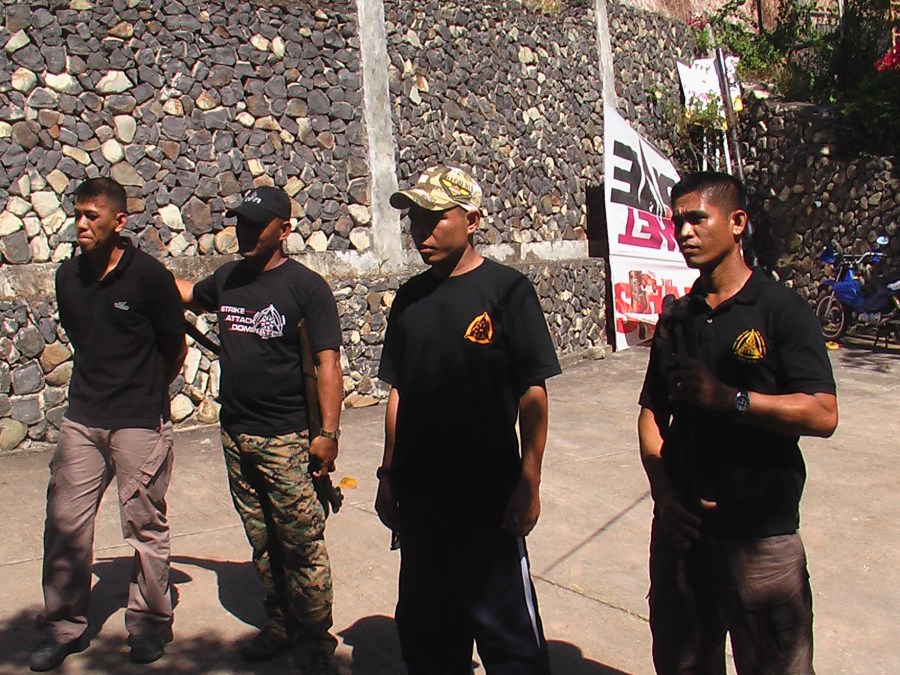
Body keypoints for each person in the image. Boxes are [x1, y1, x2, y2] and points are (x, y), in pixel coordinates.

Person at [637, 171, 839, 674]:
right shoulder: (678, 318)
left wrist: (733, 399)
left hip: (760, 537)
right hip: (682, 535)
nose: (684, 232)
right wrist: (664, 494)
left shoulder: (780, 310)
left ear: (737, 223)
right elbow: (651, 413)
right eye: (677, 222)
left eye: (697, 219)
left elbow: (823, 412)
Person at [375, 165, 561, 674]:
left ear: (472, 220)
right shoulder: (410, 299)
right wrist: (388, 475)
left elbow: (532, 393)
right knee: (428, 640)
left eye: (435, 217)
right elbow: (399, 393)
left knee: (511, 645)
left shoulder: (509, 292)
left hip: (487, 502)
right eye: (415, 219)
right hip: (420, 502)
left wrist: (529, 480)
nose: (421, 231)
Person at [176, 185, 343, 674]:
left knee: (301, 542)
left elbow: (328, 363)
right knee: (263, 539)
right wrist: (132, 267)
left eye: (256, 224)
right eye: (241, 222)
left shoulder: (306, 287)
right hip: (236, 433)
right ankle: (280, 625)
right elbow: (186, 294)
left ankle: (314, 638)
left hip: (286, 438)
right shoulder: (227, 279)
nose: (244, 231)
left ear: (284, 230)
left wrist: (327, 434)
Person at [31, 178, 187, 671]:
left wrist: (145, 394)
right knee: (65, 525)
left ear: (119, 221)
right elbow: (84, 338)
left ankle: (150, 623)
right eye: (77, 214)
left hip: (139, 421)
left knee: (144, 526)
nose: (81, 224)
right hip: (83, 420)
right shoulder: (67, 277)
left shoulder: (150, 278)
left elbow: (175, 347)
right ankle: (63, 626)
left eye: (91, 216)